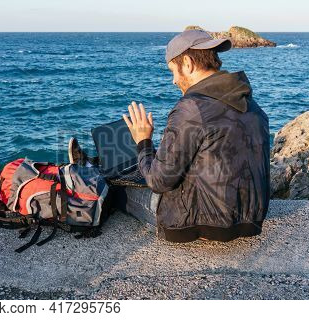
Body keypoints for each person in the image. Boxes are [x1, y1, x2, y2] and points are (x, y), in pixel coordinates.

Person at [70, 29, 270, 242]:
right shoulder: (249, 102)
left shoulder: (192, 107)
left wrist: (143, 141)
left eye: (172, 71)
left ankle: (94, 172)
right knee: (154, 163)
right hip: (251, 220)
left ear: (187, 63)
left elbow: (159, 182)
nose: (174, 81)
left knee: (114, 187)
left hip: (203, 223)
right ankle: (99, 164)